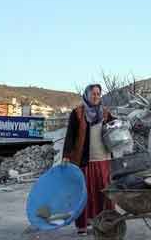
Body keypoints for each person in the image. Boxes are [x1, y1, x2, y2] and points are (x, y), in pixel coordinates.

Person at [62, 84, 114, 236]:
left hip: (103, 159)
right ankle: (83, 225)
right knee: (85, 193)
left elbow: (115, 127)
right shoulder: (77, 113)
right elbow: (70, 135)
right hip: (84, 160)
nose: (96, 96)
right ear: (87, 95)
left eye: (98, 94)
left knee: (103, 193)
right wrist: (66, 154)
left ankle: (105, 222)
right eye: (93, 94)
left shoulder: (105, 113)